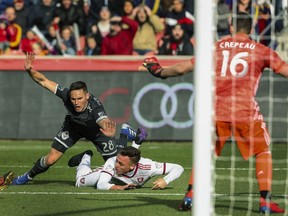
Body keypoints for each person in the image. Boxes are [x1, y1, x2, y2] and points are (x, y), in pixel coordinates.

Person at [138, 12, 288, 213]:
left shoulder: (215, 48)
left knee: (206, 155)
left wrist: (158, 70)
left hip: (215, 112)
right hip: (244, 111)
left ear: (231, 27)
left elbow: (183, 68)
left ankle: (191, 196)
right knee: (263, 151)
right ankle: (265, 200)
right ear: (252, 29)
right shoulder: (261, 50)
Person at [12, 52, 147, 185]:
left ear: (87, 96)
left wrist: (108, 129)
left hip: (97, 132)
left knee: (114, 169)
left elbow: (102, 120)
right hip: (73, 127)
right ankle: (27, 177)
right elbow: (43, 81)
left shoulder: (95, 107)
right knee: (51, 159)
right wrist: (30, 70)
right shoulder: (66, 95)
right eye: (73, 99)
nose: (76, 102)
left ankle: (124, 134)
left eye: (80, 99)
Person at [70, 146, 184, 190]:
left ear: (132, 166)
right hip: (105, 175)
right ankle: (86, 157)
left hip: (116, 180)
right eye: (117, 161)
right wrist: (121, 187)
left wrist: (166, 180)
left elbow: (178, 168)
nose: (117, 165)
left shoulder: (148, 167)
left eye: (121, 164)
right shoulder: (112, 162)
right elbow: (101, 185)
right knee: (80, 181)